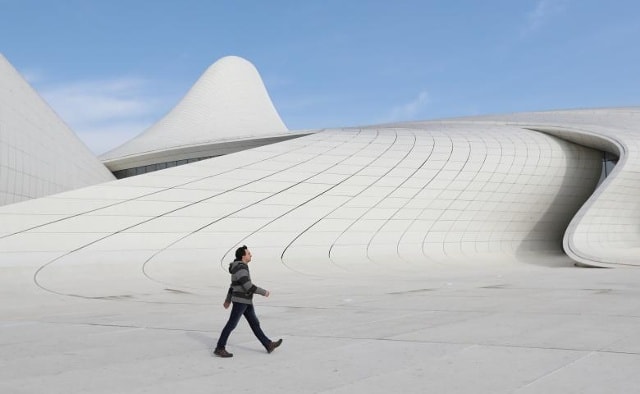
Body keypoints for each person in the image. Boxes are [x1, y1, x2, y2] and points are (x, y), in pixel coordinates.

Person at [214, 245, 282, 358]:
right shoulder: (241, 268)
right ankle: (220, 348)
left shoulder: (239, 267)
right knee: (232, 324)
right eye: (249, 253)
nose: (251, 255)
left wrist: (228, 299)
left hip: (246, 301)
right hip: (241, 301)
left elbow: (233, 285)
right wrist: (263, 292)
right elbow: (248, 286)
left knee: (255, 323)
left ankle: (268, 344)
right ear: (243, 256)